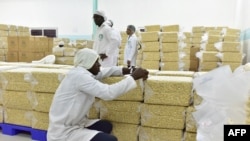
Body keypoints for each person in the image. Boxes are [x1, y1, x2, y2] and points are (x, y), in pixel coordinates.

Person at [47, 48, 149, 141]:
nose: (99, 65)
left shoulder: (83, 72)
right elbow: (108, 93)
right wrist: (133, 77)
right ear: (88, 64)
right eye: (96, 62)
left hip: (76, 123)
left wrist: (130, 70)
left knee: (105, 126)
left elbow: (106, 71)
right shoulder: (80, 77)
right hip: (64, 132)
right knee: (110, 140)